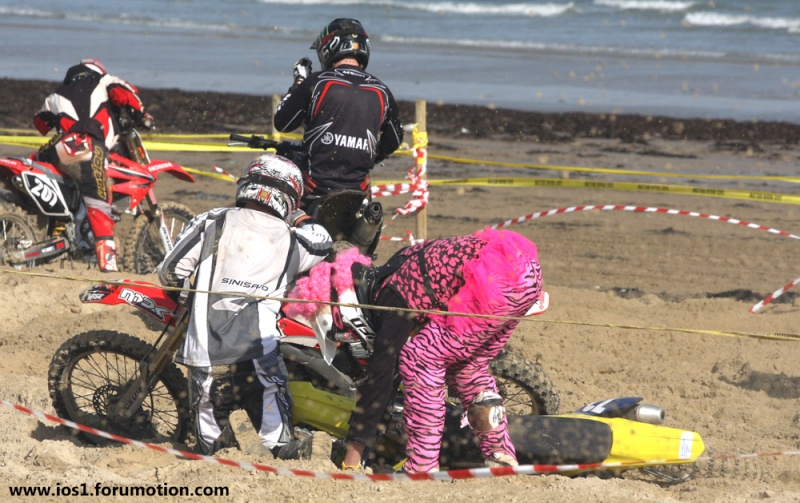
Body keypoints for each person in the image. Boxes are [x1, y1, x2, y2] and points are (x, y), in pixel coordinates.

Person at [285, 228, 547, 473]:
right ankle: (499, 452)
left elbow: (380, 382)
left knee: (419, 359)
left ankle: (422, 466)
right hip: (523, 273)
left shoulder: (394, 307)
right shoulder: (390, 274)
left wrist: (353, 453)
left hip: (494, 283)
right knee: (469, 369)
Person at [158, 154, 333, 457]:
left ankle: (222, 449)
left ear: (247, 184)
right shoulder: (293, 239)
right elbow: (323, 241)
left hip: (207, 354)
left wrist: (194, 299)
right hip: (259, 353)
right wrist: (300, 217)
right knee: (277, 438)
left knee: (209, 447)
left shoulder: (212, 220)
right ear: (289, 198)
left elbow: (169, 273)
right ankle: (284, 450)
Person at [33, 58, 154, 272]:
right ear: (96, 72)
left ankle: (60, 231)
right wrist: (143, 116)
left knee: (56, 180)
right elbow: (128, 95)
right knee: (99, 202)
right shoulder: (105, 81)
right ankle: (108, 268)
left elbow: (40, 123)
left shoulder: (56, 95)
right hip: (87, 145)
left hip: (58, 147)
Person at [273, 18, 404, 209]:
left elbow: (283, 123)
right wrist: (368, 157)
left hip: (314, 188)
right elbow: (395, 138)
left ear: (328, 48)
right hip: (357, 190)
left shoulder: (317, 82)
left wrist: (300, 81)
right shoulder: (381, 90)